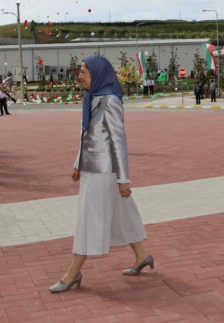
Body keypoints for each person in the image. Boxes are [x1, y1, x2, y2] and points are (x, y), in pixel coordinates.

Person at [49, 55, 152, 293]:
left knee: (89, 219)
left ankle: (72, 273)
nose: (79, 75)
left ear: (97, 73)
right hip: (90, 168)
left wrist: (123, 180)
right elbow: (87, 136)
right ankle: (142, 256)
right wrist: (78, 163)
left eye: (84, 71)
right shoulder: (90, 98)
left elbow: (119, 142)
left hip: (104, 172)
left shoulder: (110, 101)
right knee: (123, 213)